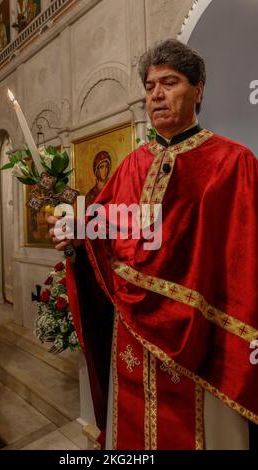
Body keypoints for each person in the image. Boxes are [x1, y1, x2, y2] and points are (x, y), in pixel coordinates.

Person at [48, 39, 258, 450]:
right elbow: (105, 228)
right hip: (131, 332)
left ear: (198, 91)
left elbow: (243, 258)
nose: (156, 94)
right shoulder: (131, 164)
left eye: (170, 82)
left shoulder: (233, 162)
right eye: (149, 86)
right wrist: (75, 231)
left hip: (201, 338)